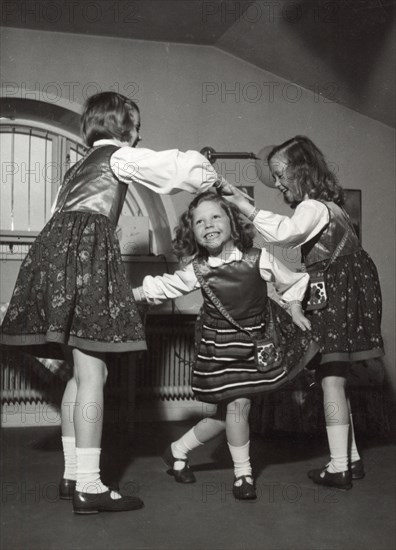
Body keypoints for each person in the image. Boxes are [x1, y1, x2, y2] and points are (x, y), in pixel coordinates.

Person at [0, 91, 224, 514]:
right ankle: (89, 484)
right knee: (94, 373)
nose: (139, 134)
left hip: (53, 261)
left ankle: (72, 475)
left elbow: (55, 221)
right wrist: (205, 170)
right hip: (86, 257)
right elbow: (175, 170)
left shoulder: (73, 169)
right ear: (120, 125)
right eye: (135, 125)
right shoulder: (118, 156)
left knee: (80, 373)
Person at [221, 135, 384, 490]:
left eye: (280, 174)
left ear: (303, 170)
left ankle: (339, 467)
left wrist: (245, 207)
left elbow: (288, 234)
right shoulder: (332, 208)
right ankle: (351, 459)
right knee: (336, 380)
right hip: (345, 295)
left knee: (330, 380)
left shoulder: (313, 207)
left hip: (334, 296)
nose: (277, 184)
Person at [132, 191, 318, 500]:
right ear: (192, 232)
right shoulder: (197, 270)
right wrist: (133, 294)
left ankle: (177, 451)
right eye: (199, 221)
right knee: (237, 407)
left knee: (230, 413)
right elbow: (164, 286)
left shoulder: (259, 258)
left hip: (256, 344)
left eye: (216, 217)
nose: (208, 225)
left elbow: (293, 281)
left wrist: (295, 307)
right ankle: (243, 476)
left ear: (233, 222)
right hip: (220, 349)